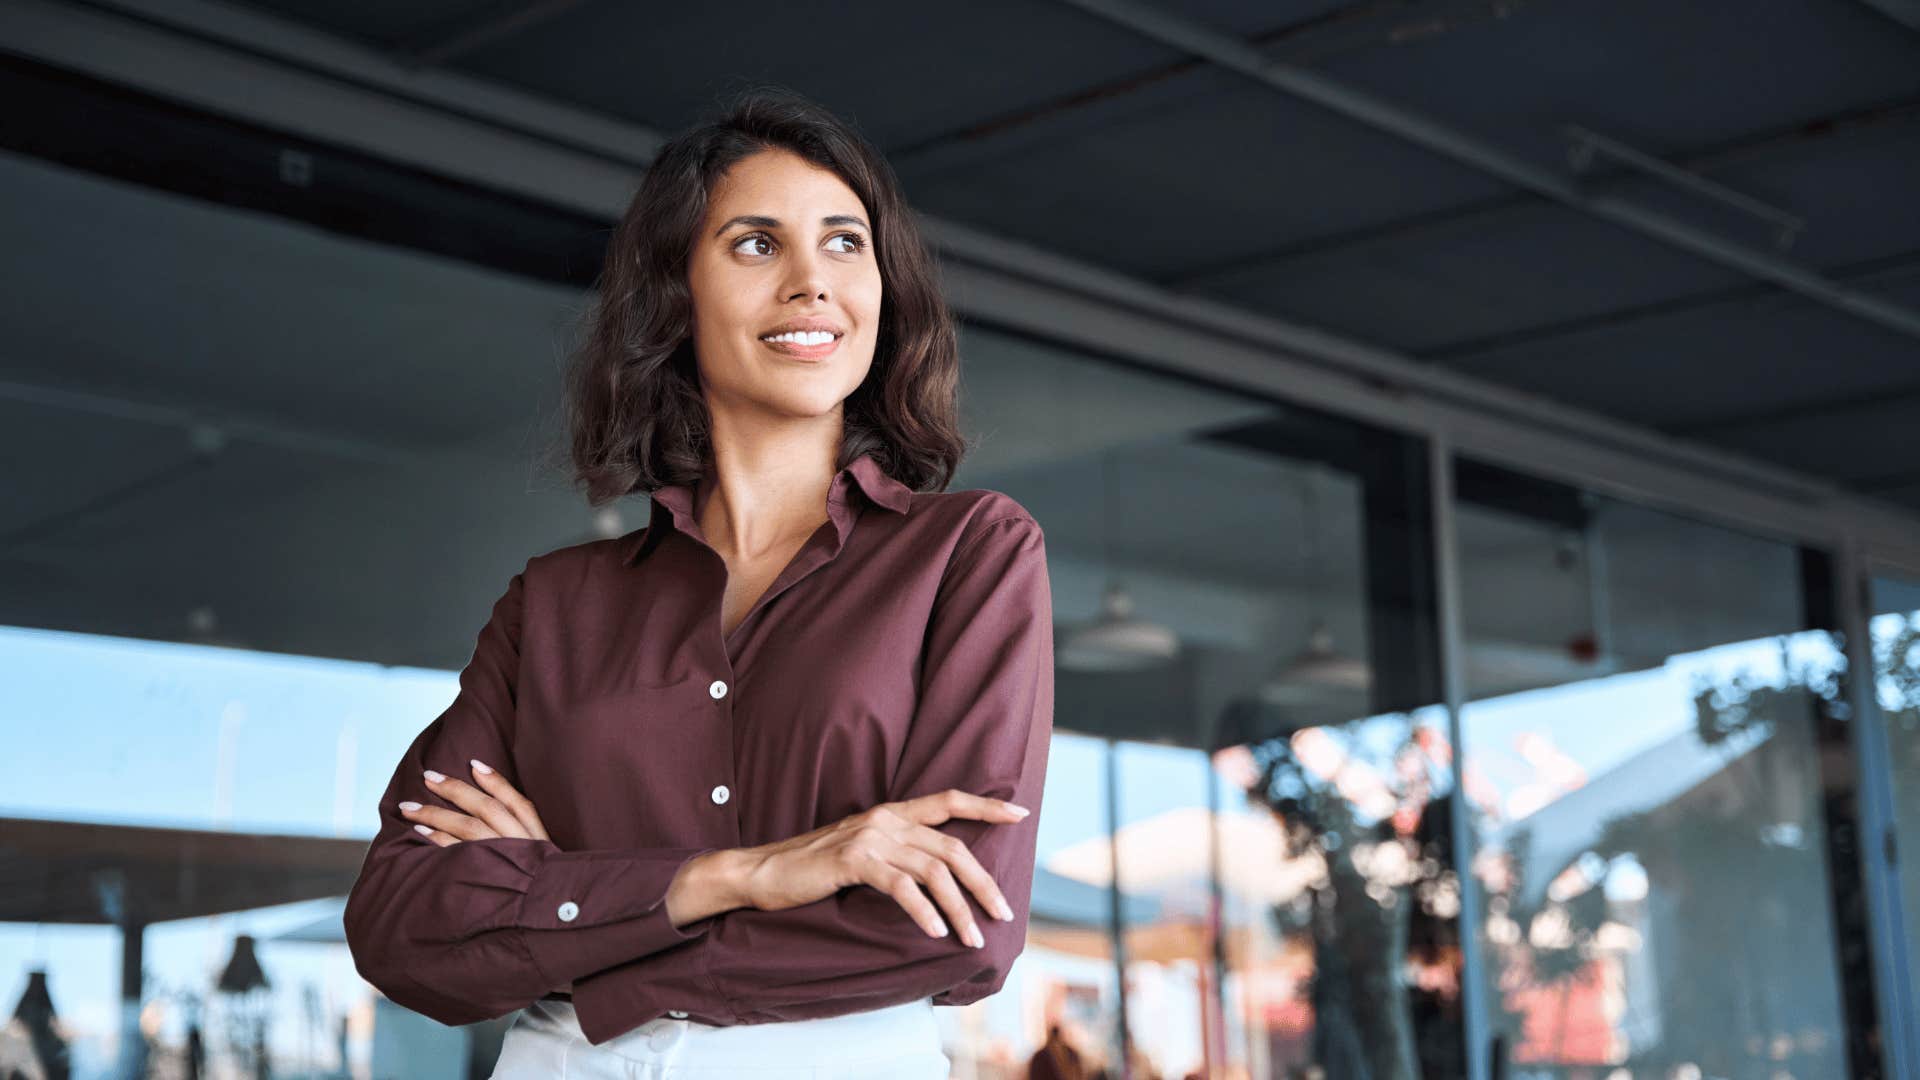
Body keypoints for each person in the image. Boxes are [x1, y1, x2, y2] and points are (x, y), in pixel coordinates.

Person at [340, 85, 1055, 1079]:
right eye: (757, 245)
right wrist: (753, 874)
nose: (813, 283)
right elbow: (404, 929)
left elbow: (957, 929)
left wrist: (565, 912)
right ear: (675, 291)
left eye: (847, 244)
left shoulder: (968, 554)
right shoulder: (553, 608)